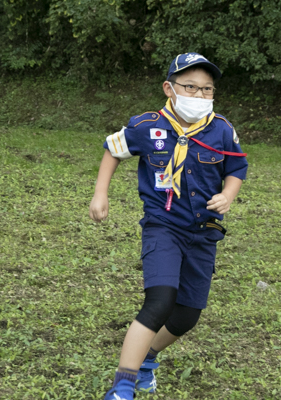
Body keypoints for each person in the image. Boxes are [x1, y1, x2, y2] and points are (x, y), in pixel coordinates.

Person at [89, 52, 248, 400]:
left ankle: (147, 358)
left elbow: (237, 168)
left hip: (204, 232)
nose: (200, 96)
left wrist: (228, 195)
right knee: (160, 301)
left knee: (187, 316)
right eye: (190, 87)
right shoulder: (147, 126)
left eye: (207, 90)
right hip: (163, 226)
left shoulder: (221, 129)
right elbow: (113, 150)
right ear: (169, 87)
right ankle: (123, 385)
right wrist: (101, 193)